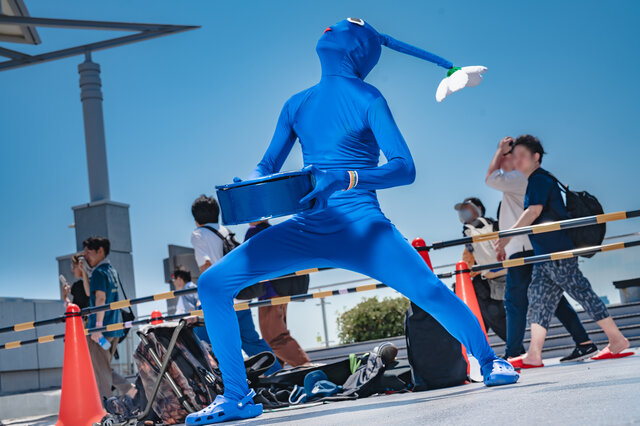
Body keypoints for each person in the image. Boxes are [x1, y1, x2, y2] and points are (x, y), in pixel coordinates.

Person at [188, 18, 517, 425]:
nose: (330, 27)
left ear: (358, 48)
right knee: (212, 283)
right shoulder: (297, 103)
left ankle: (489, 362)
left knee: (429, 291)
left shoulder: (369, 98)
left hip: (362, 226)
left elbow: (405, 168)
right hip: (308, 226)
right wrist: (251, 185)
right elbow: (267, 165)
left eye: (344, 28)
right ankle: (236, 397)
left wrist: (347, 177)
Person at [494, 135, 630, 368]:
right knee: (538, 301)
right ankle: (534, 354)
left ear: (536, 157)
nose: (516, 161)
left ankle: (617, 340)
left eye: (521, 156)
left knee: (582, 292)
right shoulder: (536, 180)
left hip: (557, 252)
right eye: (514, 156)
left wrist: (507, 235)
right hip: (545, 254)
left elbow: (533, 212)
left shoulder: (538, 179)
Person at [487, 136, 595, 362]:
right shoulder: (522, 179)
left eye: (514, 156)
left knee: (514, 301)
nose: (511, 161)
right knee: (553, 299)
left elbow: (490, 178)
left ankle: (513, 352)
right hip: (528, 246)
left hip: (524, 247)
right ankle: (584, 342)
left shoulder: (518, 178)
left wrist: (499, 150)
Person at [189, 195, 282, 374]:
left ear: (196, 218)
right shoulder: (225, 231)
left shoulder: (198, 234)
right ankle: (277, 374)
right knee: (251, 341)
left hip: (221, 299)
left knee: (204, 342)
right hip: (239, 295)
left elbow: (206, 267)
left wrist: (205, 298)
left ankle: (220, 383)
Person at [245, 221, 311, 368]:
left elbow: (244, 260)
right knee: (278, 336)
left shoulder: (253, 231)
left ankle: (308, 367)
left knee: (274, 339)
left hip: (268, 292)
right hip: (281, 291)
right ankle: (280, 377)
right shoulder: (272, 229)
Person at [83, 236, 135, 400]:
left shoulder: (99, 272)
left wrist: (97, 326)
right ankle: (135, 393)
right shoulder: (111, 270)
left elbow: (100, 299)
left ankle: (107, 408)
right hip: (114, 328)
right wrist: (84, 272)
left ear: (100, 250)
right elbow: (93, 294)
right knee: (103, 368)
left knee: (101, 372)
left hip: (100, 330)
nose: (85, 256)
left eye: (88, 252)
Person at [454, 197, 507, 342]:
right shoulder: (492, 223)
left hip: (484, 277)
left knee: (492, 315)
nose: (464, 213)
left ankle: (514, 349)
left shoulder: (472, 228)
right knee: (483, 318)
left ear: (479, 208)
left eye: (467, 208)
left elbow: (470, 256)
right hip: (488, 275)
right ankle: (481, 351)